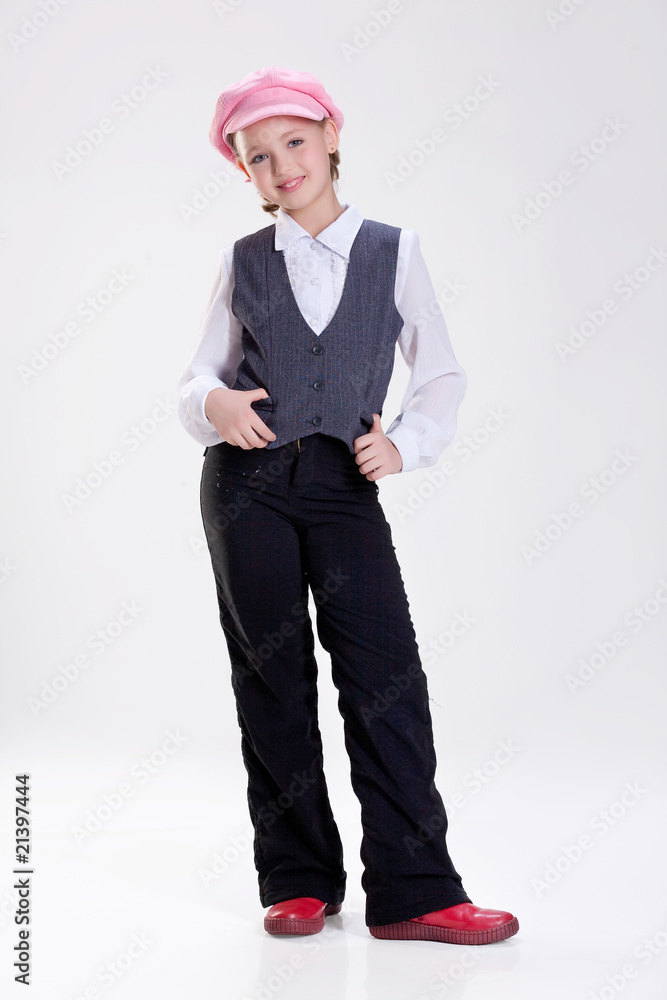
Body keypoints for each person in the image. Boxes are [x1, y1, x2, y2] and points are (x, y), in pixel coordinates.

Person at [177, 65, 519, 945]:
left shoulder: (394, 251)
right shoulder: (242, 261)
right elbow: (197, 378)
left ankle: (415, 890)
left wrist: (403, 443)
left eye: (294, 141)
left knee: (384, 676)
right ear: (243, 171)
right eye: (257, 155)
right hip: (245, 489)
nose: (280, 164)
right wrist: (214, 404)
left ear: (331, 137)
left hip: (342, 488)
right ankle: (296, 879)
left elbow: (440, 371)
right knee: (271, 679)